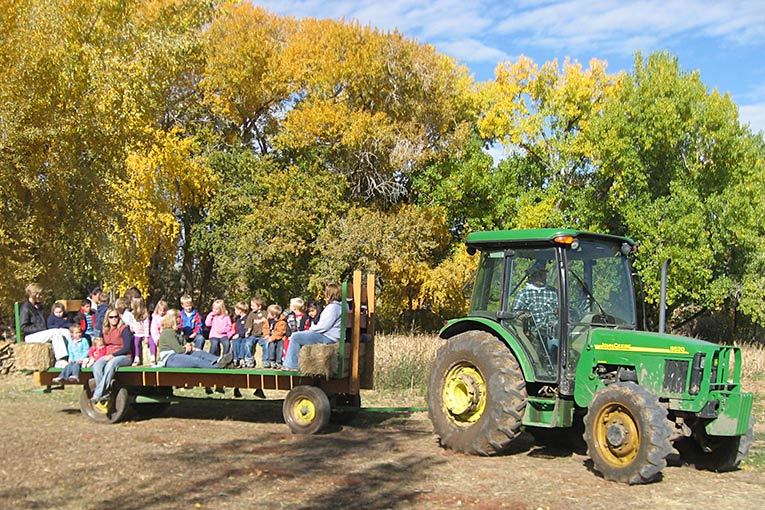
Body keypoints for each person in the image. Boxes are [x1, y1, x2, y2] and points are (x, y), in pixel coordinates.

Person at [282, 283, 343, 371]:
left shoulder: (333, 308)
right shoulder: (342, 306)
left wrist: (311, 329)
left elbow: (323, 326)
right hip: (334, 336)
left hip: (328, 337)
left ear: (330, 294)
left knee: (296, 336)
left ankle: (291, 365)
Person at [156, 309, 233, 369]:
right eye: (179, 317)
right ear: (174, 319)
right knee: (195, 360)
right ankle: (218, 367)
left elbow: (184, 344)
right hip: (170, 358)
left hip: (180, 354)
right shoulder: (167, 332)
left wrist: (193, 348)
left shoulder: (179, 331)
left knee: (200, 353)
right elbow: (179, 350)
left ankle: (221, 360)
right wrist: (187, 348)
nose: (181, 319)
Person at [90, 307, 134, 411]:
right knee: (97, 365)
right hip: (108, 355)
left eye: (116, 317)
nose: (114, 319)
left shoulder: (124, 329)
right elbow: (98, 344)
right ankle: (105, 394)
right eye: (111, 317)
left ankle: (98, 393)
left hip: (123, 357)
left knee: (111, 364)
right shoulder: (104, 329)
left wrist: (113, 355)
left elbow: (127, 347)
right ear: (107, 318)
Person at [513, 260, 559, 355]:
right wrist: (525, 315)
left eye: (544, 274)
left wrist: (559, 310)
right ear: (532, 276)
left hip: (554, 329)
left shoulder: (553, 292)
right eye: (539, 274)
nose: (542, 277)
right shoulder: (524, 293)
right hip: (534, 332)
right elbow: (516, 314)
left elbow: (561, 308)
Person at [19, 283, 69, 366]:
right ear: (35, 295)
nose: (42, 296)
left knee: (65, 331)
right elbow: (23, 327)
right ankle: (60, 360)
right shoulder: (26, 307)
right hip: (31, 336)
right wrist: (40, 328)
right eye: (41, 294)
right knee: (55, 333)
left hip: (42, 333)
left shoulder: (40, 307)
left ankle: (73, 357)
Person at [262, 304, 288, 369]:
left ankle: (278, 362)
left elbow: (280, 332)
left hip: (279, 338)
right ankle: (271, 360)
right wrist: (266, 334)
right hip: (271, 337)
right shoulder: (268, 321)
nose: (267, 315)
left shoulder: (282, 322)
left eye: (269, 313)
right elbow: (265, 328)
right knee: (271, 345)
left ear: (274, 315)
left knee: (280, 346)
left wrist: (272, 338)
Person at [284, 297, 309, 363]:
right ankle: (288, 362)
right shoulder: (289, 316)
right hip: (290, 336)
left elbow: (304, 327)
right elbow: (287, 327)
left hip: (300, 336)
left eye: (290, 305)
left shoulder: (304, 316)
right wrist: (288, 335)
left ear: (294, 307)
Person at [245, 296, 268, 367]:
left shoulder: (265, 314)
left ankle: (265, 360)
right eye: (251, 305)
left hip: (262, 335)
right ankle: (249, 359)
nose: (251, 307)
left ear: (259, 306)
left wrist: (267, 334)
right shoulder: (251, 314)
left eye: (253, 306)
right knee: (248, 343)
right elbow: (249, 323)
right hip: (253, 335)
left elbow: (267, 324)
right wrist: (248, 331)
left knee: (266, 344)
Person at [230, 301, 254, 368]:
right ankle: (235, 358)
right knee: (235, 342)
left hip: (245, 336)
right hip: (239, 336)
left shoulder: (247, 318)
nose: (235, 311)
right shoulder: (238, 319)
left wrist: (240, 334)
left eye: (236, 310)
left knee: (243, 343)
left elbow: (246, 329)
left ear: (241, 310)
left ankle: (241, 358)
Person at [130, 297, 151, 366]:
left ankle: (152, 358)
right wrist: (132, 327)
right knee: (135, 343)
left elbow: (146, 326)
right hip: (137, 333)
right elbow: (131, 322)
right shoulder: (132, 314)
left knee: (149, 343)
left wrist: (146, 336)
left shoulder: (145, 315)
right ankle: (136, 357)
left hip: (144, 333)